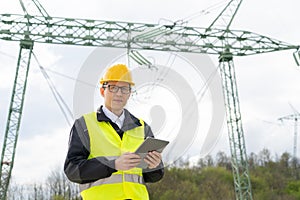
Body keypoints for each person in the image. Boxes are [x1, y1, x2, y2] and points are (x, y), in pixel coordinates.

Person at [64, 64, 164, 200]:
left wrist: (155, 165)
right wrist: (113, 164)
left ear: (130, 93)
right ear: (102, 91)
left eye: (124, 88)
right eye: (113, 87)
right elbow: (72, 170)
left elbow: (153, 176)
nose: (119, 93)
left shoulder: (142, 127)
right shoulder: (84, 125)